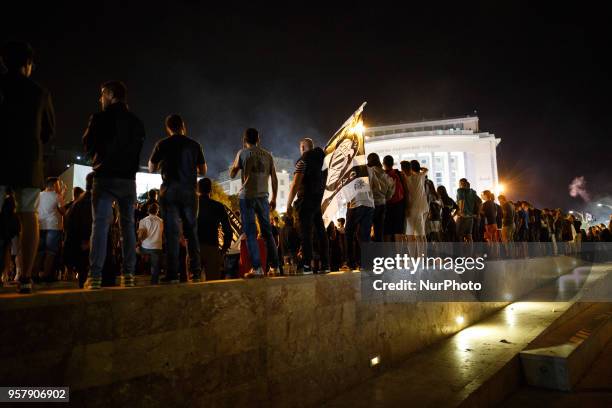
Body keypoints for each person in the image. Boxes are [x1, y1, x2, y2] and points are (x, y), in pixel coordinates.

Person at [0, 41, 55, 293]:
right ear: (28, 65)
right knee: (28, 216)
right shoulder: (39, 92)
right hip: (27, 162)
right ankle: (25, 278)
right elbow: (48, 131)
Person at [83, 80, 145, 289]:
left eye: (102, 94)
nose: (100, 99)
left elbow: (88, 145)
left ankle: (95, 276)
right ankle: (128, 275)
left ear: (110, 94)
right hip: (128, 180)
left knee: (100, 225)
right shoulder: (136, 122)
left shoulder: (100, 118)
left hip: (105, 178)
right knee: (127, 227)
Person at [149, 114, 205, 283]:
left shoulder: (162, 144)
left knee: (172, 234)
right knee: (191, 233)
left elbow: (151, 167)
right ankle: (195, 272)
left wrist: (161, 164)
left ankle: (172, 274)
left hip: (169, 191)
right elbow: (203, 171)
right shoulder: (194, 145)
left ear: (168, 128)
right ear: (183, 126)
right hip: (189, 192)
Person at [230, 128, 279, 278]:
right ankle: (275, 267)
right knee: (267, 233)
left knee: (251, 233)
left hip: (247, 197)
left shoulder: (242, 153)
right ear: (258, 139)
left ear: (245, 140)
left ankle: (257, 268)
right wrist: (274, 198)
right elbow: (274, 178)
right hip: (263, 197)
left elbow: (232, 175)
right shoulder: (268, 155)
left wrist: (236, 165)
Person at [285, 138, 329, 274]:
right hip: (317, 200)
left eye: (300, 147)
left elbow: (295, 184)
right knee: (321, 232)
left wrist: (289, 204)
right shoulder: (322, 162)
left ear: (303, 147)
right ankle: (325, 265)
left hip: (305, 200)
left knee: (305, 233)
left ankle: (307, 265)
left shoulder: (303, 160)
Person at [197, 178, 232, 281]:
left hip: (195, 248)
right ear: (211, 190)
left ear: (198, 189)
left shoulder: (193, 206)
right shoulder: (218, 206)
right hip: (212, 247)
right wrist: (224, 249)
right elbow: (228, 230)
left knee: (193, 285)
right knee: (213, 285)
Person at [64, 172, 94, 288]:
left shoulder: (78, 201)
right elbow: (86, 223)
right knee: (84, 275)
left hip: (76, 244)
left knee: (83, 276)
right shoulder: (88, 201)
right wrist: (86, 240)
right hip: (83, 244)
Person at [35, 177, 66, 282]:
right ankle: (46, 275)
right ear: (53, 185)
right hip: (53, 227)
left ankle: (34, 275)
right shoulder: (57, 196)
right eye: (57, 184)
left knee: (39, 252)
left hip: (40, 226)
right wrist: (62, 195)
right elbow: (63, 211)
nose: (58, 186)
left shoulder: (38, 195)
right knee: (50, 252)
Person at [344, 167, 376, 270]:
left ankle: (351, 262)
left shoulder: (349, 169)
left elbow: (346, 188)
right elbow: (377, 186)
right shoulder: (370, 169)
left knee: (349, 234)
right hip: (369, 204)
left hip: (355, 204)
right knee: (365, 236)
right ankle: (366, 263)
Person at [367, 153, 395, 242]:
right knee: (379, 232)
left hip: (370, 205)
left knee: (366, 231)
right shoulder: (385, 174)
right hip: (382, 205)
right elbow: (390, 194)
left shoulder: (369, 171)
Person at [403, 160, 429, 252]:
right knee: (422, 235)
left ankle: (414, 259)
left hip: (412, 209)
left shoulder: (405, 178)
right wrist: (420, 168)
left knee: (410, 236)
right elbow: (426, 169)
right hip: (424, 207)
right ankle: (423, 258)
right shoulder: (420, 176)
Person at [382, 156, 409, 242]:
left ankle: (387, 254)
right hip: (399, 205)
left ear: (383, 163)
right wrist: (407, 206)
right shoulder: (399, 174)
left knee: (387, 231)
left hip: (386, 205)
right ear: (393, 163)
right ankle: (399, 254)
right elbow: (406, 191)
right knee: (399, 231)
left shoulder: (382, 175)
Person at [137, 203, 163, 284]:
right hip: (157, 247)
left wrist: (138, 243)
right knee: (155, 266)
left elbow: (140, 236)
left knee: (135, 250)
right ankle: (154, 282)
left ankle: (139, 271)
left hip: (145, 248)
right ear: (157, 211)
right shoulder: (161, 221)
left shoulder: (143, 220)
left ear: (148, 210)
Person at [456, 178, 476, 243]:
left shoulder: (460, 190)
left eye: (459, 183)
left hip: (463, 217)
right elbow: (480, 202)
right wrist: (477, 213)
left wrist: (460, 212)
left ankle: (461, 252)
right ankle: (470, 252)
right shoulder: (472, 192)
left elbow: (461, 201)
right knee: (469, 236)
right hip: (470, 217)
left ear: (461, 183)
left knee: (459, 235)